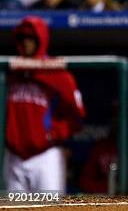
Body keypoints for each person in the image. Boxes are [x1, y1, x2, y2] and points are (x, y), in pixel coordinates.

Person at [4, 16, 86, 193]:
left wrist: (53, 134)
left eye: (31, 38)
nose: (26, 43)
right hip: (13, 156)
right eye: (22, 38)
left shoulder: (57, 73)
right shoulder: (10, 73)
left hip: (45, 156)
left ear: (40, 39)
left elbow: (77, 116)